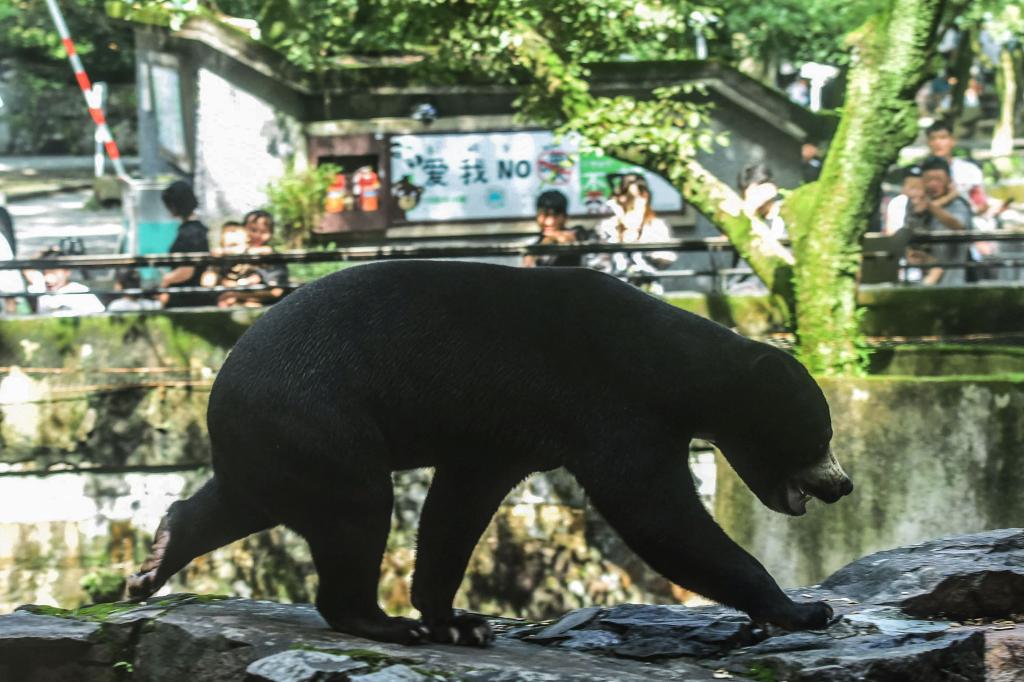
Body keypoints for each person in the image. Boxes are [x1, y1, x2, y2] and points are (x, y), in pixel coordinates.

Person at [593, 174, 676, 292]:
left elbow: (667, 258)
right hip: (613, 290)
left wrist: (641, 245)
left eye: (636, 197)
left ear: (645, 197)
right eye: (626, 197)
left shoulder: (656, 226)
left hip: (648, 289)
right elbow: (596, 262)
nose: (632, 203)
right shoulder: (607, 226)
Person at [906, 156, 973, 286]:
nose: (933, 184)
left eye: (938, 180)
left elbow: (959, 226)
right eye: (928, 180)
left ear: (949, 180)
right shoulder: (914, 205)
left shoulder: (958, 203)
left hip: (953, 280)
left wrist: (930, 206)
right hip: (925, 278)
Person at [160, 181, 211, 308]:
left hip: (186, 296)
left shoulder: (190, 233)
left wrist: (166, 280)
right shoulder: (198, 229)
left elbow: (187, 270)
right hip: (192, 293)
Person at [28, 246, 105, 315]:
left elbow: (99, 316)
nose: (48, 277)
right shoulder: (40, 288)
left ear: (67, 271)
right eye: (45, 273)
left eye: (54, 272)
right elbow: (27, 265)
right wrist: (48, 250)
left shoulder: (80, 291)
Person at [200, 221, 261, 308]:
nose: (230, 235)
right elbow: (207, 283)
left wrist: (236, 293)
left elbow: (271, 291)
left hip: (251, 301)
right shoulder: (220, 261)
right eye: (226, 232)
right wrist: (214, 263)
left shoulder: (254, 257)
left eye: (234, 231)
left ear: (247, 238)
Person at [522, 190, 589, 268]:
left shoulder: (578, 233)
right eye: (544, 215)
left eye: (555, 216)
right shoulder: (532, 247)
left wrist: (549, 240)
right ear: (536, 216)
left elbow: (568, 238)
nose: (549, 222)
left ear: (565, 217)